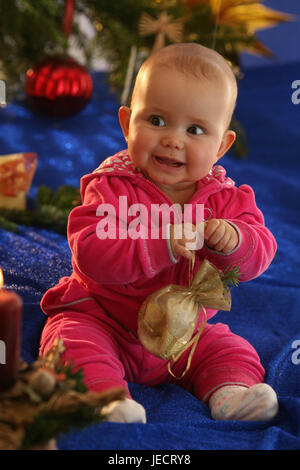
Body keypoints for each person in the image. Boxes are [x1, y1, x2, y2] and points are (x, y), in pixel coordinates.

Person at [40, 43, 279, 423]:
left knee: (231, 349)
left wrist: (235, 241)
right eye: (155, 120)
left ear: (221, 146)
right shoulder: (111, 187)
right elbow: (91, 251)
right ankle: (103, 399)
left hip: (185, 334)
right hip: (103, 318)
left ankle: (231, 394)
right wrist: (161, 243)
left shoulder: (225, 198)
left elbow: (261, 250)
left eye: (195, 129)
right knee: (70, 343)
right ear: (126, 123)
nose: (173, 139)